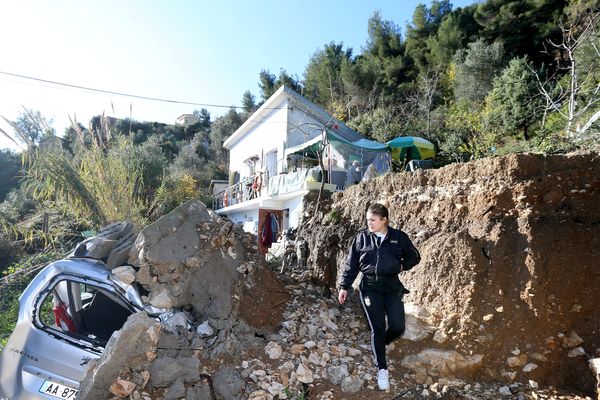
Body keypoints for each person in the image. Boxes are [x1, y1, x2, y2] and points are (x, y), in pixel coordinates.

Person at [337, 200, 420, 391]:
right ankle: (382, 369)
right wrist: (344, 286)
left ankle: (379, 345)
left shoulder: (399, 237)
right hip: (370, 287)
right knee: (378, 327)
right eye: (368, 220)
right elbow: (352, 264)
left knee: (398, 327)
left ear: (384, 220)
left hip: (392, 286)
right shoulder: (361, 239)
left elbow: (414, 256)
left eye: (373, 220)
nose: (369, 224)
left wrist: (401, 266)